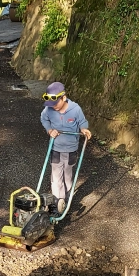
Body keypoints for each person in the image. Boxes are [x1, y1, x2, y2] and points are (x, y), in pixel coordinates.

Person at [41, 81, 92, 216]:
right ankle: (57, 201)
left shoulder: (75, 109)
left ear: (63, 97)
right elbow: (44, 118)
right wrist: (50, 130)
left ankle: (67, 199)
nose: (54, 107)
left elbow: (82, 122)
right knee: (56, 176)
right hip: (56, 148)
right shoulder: (49, 109)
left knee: (67, 176)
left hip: (71, 150)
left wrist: (84, 129)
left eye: (55, 103)